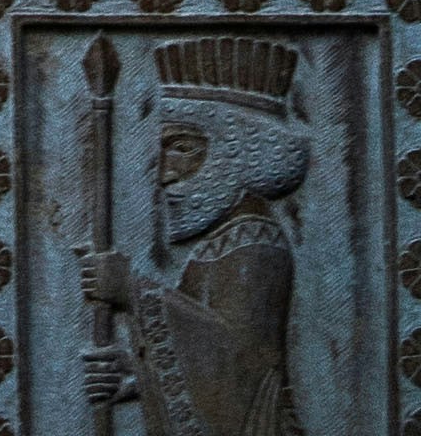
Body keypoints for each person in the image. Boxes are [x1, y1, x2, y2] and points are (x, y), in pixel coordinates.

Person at [82, 35, 314, 436]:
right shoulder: (225, 241)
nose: (165, 174)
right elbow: (213, 368)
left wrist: (133, 293)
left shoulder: (255, 243)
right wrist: (138, 376)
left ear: (239, 151)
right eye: (165, 152)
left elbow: (238, 368)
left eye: (183, 148)